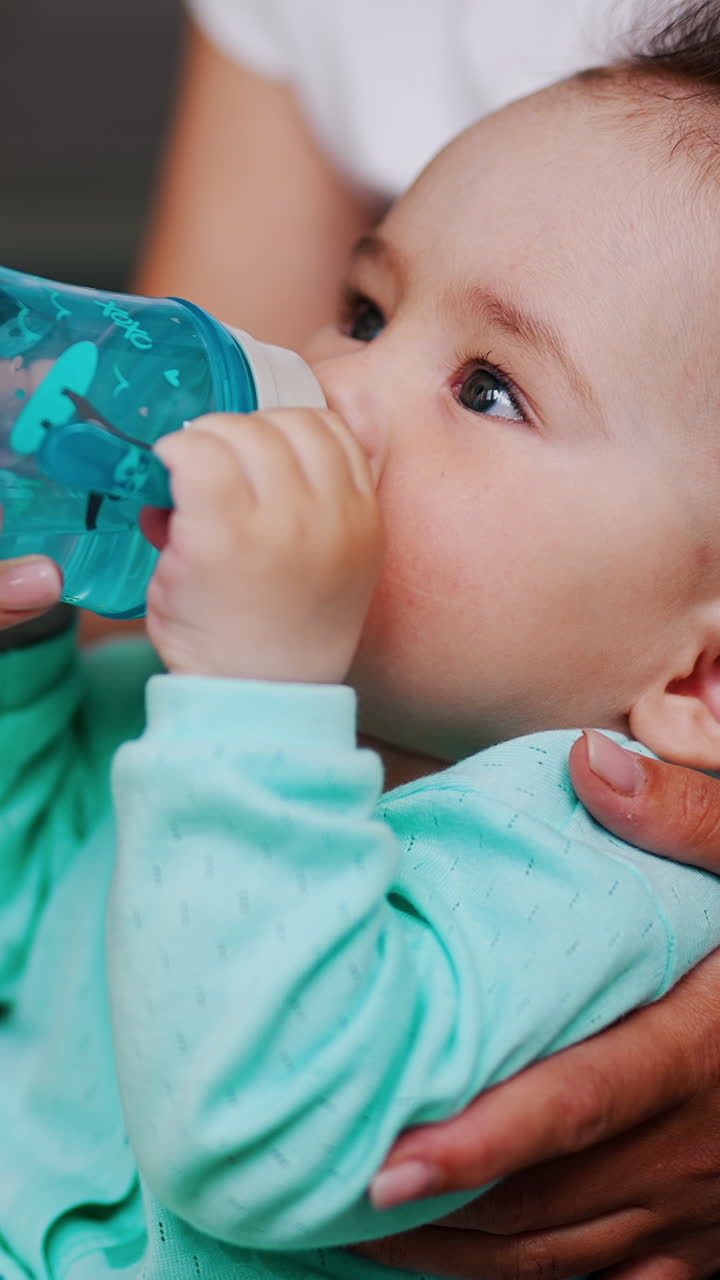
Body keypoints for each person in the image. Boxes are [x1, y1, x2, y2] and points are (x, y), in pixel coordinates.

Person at [3, 5, 720, 1277]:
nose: (339, 383)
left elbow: (259, 1135)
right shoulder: (178, 706)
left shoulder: (590, 893)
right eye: (368, 308)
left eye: (488, 386)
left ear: (701, 677)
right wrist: (18, 662)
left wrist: (254, 700)